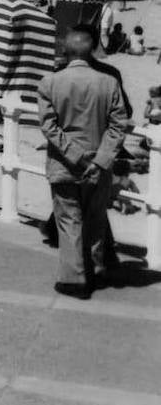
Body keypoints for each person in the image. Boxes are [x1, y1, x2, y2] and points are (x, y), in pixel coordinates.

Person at [36, 26, 130, 298]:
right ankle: (94, 271)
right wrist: (99, 161)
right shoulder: (108, 82)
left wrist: (76, 157)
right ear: (92, 51)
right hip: (99, 167)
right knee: (95, 220)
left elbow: (49, 128)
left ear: (65, 50)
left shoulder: (49, 83)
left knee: (68, 221)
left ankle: (74, 280)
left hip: (64, 166)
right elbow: (118, 126)